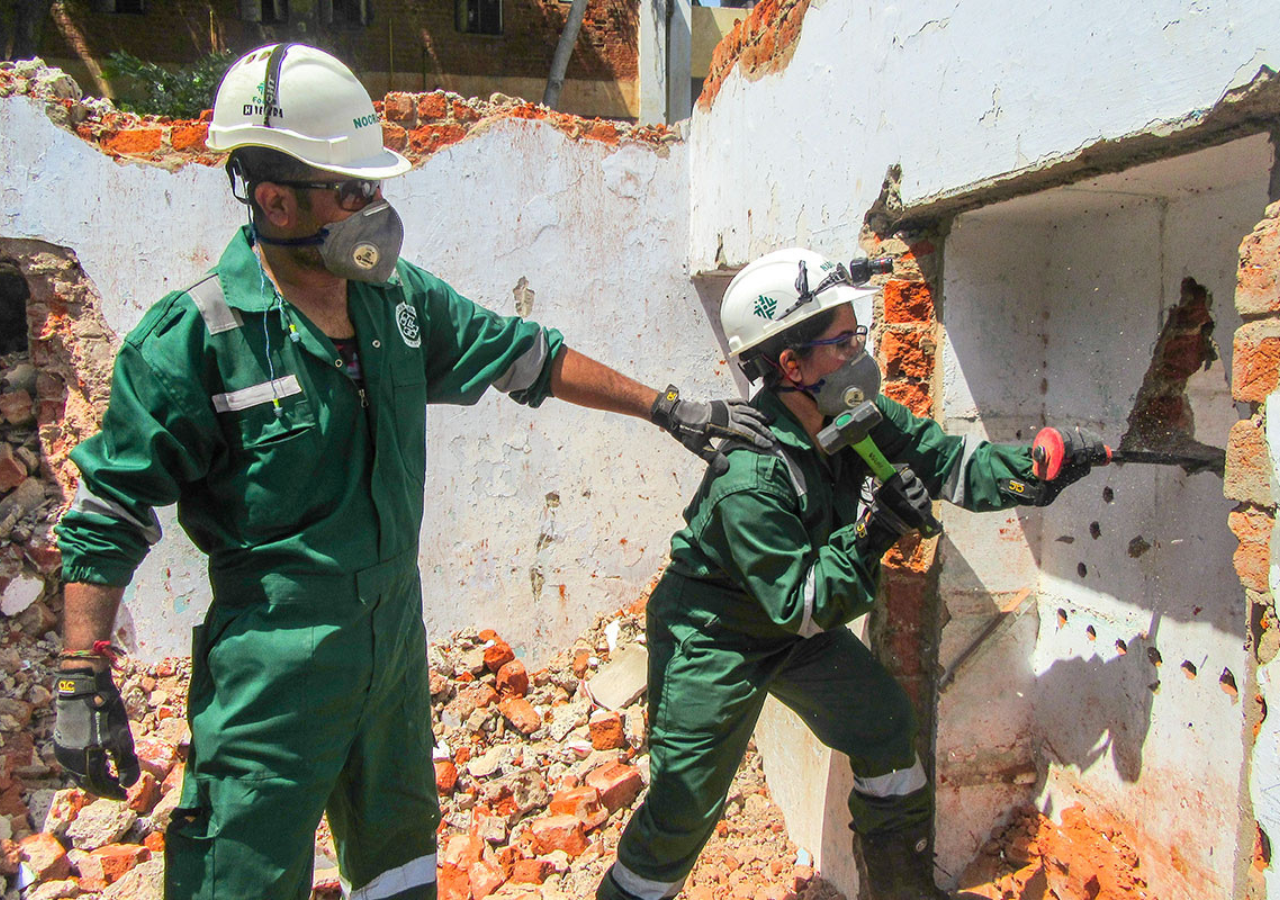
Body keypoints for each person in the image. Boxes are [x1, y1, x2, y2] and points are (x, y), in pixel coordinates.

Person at [50, 43, 775, 900]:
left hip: (393, 640)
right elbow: (110, 511)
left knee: (399, 864)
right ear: (276, 201)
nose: (375, 209)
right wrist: (80, 673)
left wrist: (669, 407)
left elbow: (525, 356)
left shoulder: (396, 302)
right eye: (351, 191)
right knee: (236, 873)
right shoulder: (194, 341)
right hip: (274, 668)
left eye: (378, 188)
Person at [595, 248, 1102, 900]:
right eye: (844, 342)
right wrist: (875, 530)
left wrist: (1034, 470)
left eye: (857, 335)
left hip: (794, 614)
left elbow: (947, 464)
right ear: (791, 365)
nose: (861, 355)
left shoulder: (856, 414)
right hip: (715, 633)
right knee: (683, 806)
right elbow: (804, 606)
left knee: (885, 728)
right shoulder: (750, 470)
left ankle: (897, 890)